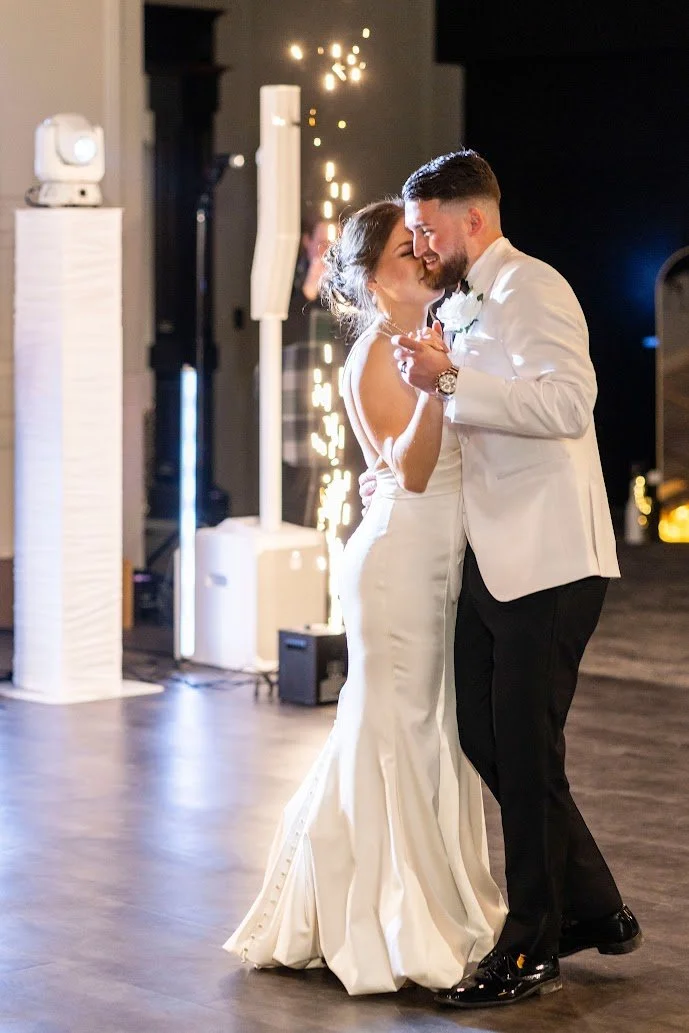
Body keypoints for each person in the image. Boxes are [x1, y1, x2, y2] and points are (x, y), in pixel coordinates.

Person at [358, 150, 642, 1008]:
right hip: (490, 554)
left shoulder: (533, 287)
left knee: (523, 748)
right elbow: (462, 418)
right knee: (485, 735)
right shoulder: (460, 301)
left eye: (424, 228)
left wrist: (448, 377)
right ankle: (591, 905)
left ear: (470, 220)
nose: (417, 243)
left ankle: (528, 948)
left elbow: (567, 405)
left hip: (549, 558)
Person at [223, 199, 506, 995]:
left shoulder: (432, 334)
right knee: (399, 731)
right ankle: (387, 920)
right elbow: (408, 470)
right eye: (403, 253)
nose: (422, 257)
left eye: (421, 245)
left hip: (435, 555)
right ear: (372, 279)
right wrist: (434, 384)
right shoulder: (377, 353)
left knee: (427, 729)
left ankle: (427, 902)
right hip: (399, 559)